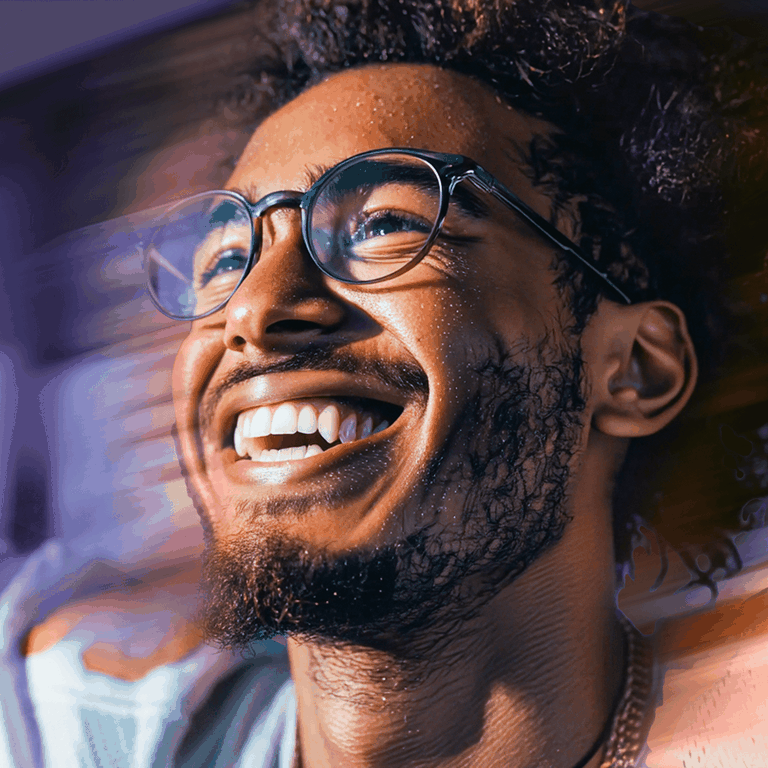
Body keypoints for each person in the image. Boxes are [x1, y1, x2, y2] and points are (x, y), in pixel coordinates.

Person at [4, 1, 768, 766]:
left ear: (633, 370)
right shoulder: (66, 729)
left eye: (385, 224)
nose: (256, 308)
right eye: (224, 261)